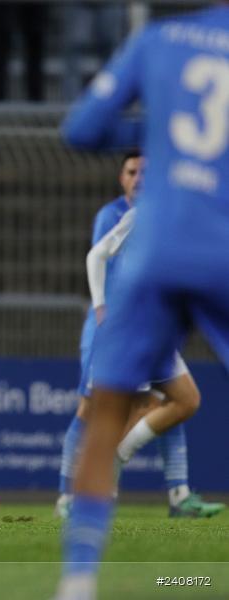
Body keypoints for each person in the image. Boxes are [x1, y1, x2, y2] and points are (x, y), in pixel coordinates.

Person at [58, 4, 229, 599]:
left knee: (106, 414)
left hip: (157, 247)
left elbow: (80, 130)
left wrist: (159, 130)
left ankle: (77, 584)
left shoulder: (157, 39)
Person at [56, 153, 224, 519]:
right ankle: (79, 497)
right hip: (129, 324)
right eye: (134, 172)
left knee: (184, 401)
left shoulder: (186, 212)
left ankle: (165, 490)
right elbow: (98, 255)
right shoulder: (129, 214)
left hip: (160, 324)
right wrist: (101, 305)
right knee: (116, 406)